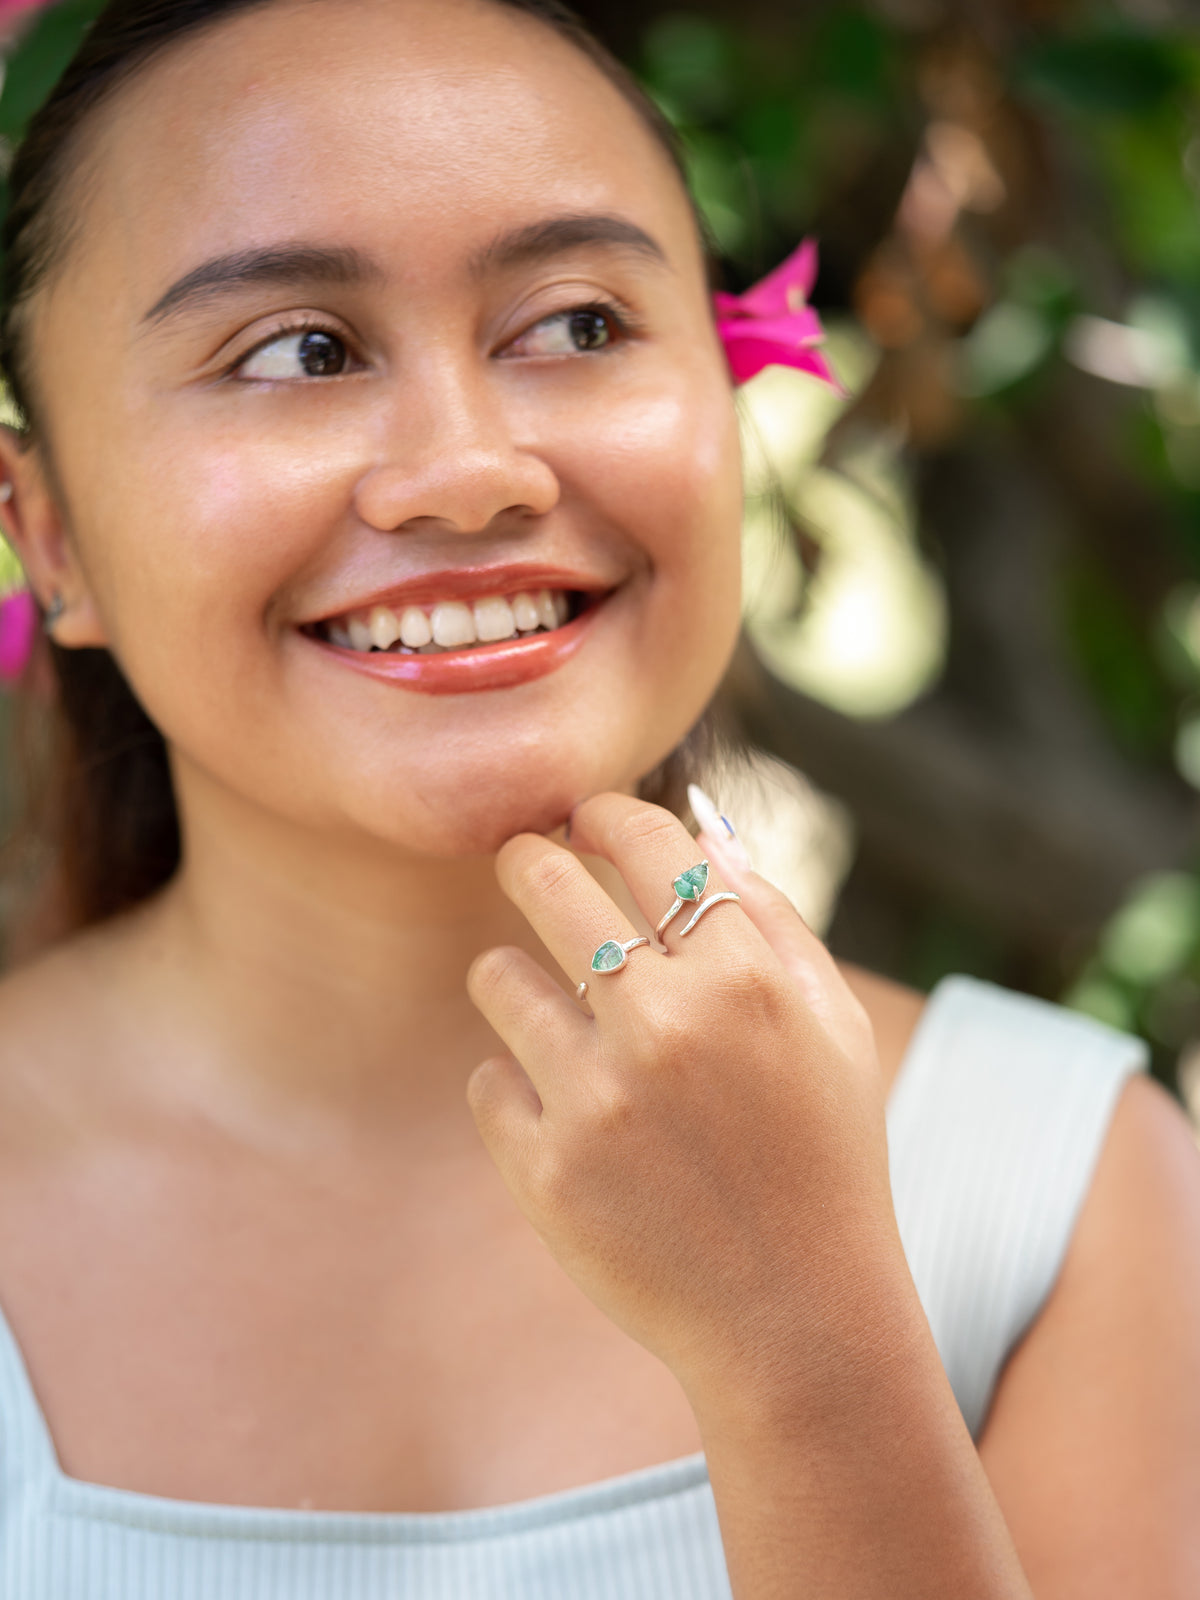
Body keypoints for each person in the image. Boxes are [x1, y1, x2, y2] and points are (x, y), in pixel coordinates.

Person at [0, 1, 1196, 1595]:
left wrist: (806, 1337)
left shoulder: (1065, 1186)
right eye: (299, 350)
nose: (473, 468)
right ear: (48, 533)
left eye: (574, 324)